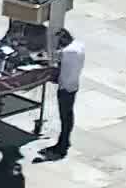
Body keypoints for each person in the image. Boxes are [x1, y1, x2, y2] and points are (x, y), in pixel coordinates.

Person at [39, 29, 83, 159]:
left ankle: (62, 145)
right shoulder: (79, 46)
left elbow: (51, 59)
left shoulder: (67, 52)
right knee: (68, 114)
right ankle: (65, 140)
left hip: (65, 87)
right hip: (74, 84)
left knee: (65, 116)